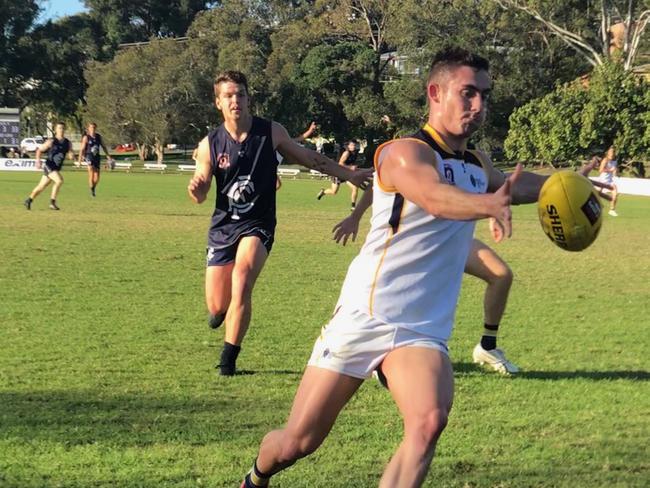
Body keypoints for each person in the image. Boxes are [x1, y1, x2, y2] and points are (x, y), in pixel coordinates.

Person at [238, 47, 611, 488]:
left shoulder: (477, 165)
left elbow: (515, 184)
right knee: (297, 442)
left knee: (429, 421)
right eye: (467, 94)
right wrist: (487, 204)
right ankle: (255, 478)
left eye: (485, 97)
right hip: (365, 316)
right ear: (435, 93)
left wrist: (565, 184)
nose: (478, 107)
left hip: (421, 329)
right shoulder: (402, 153)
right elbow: (432, 195)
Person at [187, 71, 371, 376]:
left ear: (248, 98)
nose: (236, 100)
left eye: (241, 94)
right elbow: (202, 188)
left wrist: (348, 174)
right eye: (229, 95)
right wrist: (196, 189)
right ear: (218, 102)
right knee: (217, 305)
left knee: (243, 278)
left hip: (258, 223)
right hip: (222, 228)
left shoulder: (271, 132)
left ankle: (227, 361)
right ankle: (221, 311)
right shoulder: (209, 144)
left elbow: (310, 158)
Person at [332, 187, 518, 375]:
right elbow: (378, 182)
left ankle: (487, 346)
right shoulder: (418, 158)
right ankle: (381, 352)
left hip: (452, 239)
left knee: (501, 275)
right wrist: (355, 216)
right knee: (403, 290)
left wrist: (493, 208)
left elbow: (490, 184)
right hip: (412, 241)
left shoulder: (473, 158)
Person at [24, 122, 74, 211]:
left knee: (41, 186)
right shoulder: (51, 141)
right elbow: (39, 150)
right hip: (49, 165)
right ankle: (52, 203)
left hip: (56, 167)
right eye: (59, 128)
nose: (61, 130)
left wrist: (71, 155)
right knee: (59, 181)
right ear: (55, 130)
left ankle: (29, 200)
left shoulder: (68, 142)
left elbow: (70, 152)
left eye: (63, 128)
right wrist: (38, 161)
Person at [316, 139, 361, 210]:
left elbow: (352, 166)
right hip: (338, 173)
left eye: (355, 145)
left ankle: (353, 206)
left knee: (355, 187)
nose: (353, 147)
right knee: (334, 192)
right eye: (352, 145)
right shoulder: (346, 153)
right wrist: (350, 167)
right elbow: (340, 164)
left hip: (346, 174)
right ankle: (323, 192)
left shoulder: (355, 154)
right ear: (348, 146)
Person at [78, 122, 113, 197]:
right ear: (88, 128)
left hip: (97, 157)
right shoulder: (86, 137)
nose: (92, 129)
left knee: (97, 177)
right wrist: (80, 160)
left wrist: (108, 156)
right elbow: (82, 149)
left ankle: (92, 188)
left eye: (94, 127)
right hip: (89, 156)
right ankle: (92, 191)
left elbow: (103, 146)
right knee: (91, 171)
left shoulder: (98, 137)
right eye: (91, 127)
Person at [599, 146, 619, 216]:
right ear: (608, 153)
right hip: (602, 180)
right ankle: (598, 206)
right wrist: (610, 170)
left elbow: (615, 171)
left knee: (615, 193)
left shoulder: (615, 161)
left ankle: (612, 210)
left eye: (613, 152)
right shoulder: (605, 160)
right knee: (597, 194)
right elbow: (600, 170)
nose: (612, 154)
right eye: (610, 152)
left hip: (610, 181)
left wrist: (616, 172)